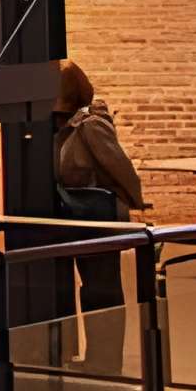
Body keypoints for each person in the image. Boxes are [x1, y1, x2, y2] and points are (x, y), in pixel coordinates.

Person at [52, 61, 147, 370]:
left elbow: (118, 165)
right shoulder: (60, 125)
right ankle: (90, 357)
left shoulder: (91, 125)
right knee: (87, 288)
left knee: (101, 288)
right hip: (74, 218)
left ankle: (105, 361)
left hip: (94, 217)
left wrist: (136, 201)